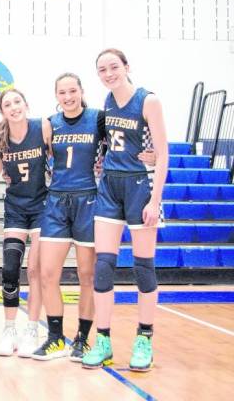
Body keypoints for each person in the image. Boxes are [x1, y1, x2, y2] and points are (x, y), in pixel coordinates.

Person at [83, 48, 168, 372]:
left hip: (140, 187)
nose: (108, 73)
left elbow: (162, 154)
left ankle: (144, 338)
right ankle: (103, 341)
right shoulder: (106, 103)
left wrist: (155, 201)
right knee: (103, 267)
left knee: (143, 267)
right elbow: (110, 145)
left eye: (113, 67)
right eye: (102, 69)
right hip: (110, 186)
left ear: (126, 67)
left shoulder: (149, 101)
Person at [33, 73, 104, 361]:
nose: (67, 96)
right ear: (56, 95)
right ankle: (54, 338)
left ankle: (82, 339)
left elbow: (122, 144)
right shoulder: (50, 123)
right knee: (48, 273)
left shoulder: (98, 119)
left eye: (72, 90)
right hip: (57, 201)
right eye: (62, 92)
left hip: (88, 199)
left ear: (81, 91)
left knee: (87, 275)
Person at [0, 88, 48, 358]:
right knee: (10, 270)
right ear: (2, 111)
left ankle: (32, 328)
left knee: (35, 271)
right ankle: (9, 328)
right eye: (7, 104)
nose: (13, 107)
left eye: (17, 102)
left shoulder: (42, 127)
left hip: (42, 207)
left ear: (26, 103)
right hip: (15, 207)